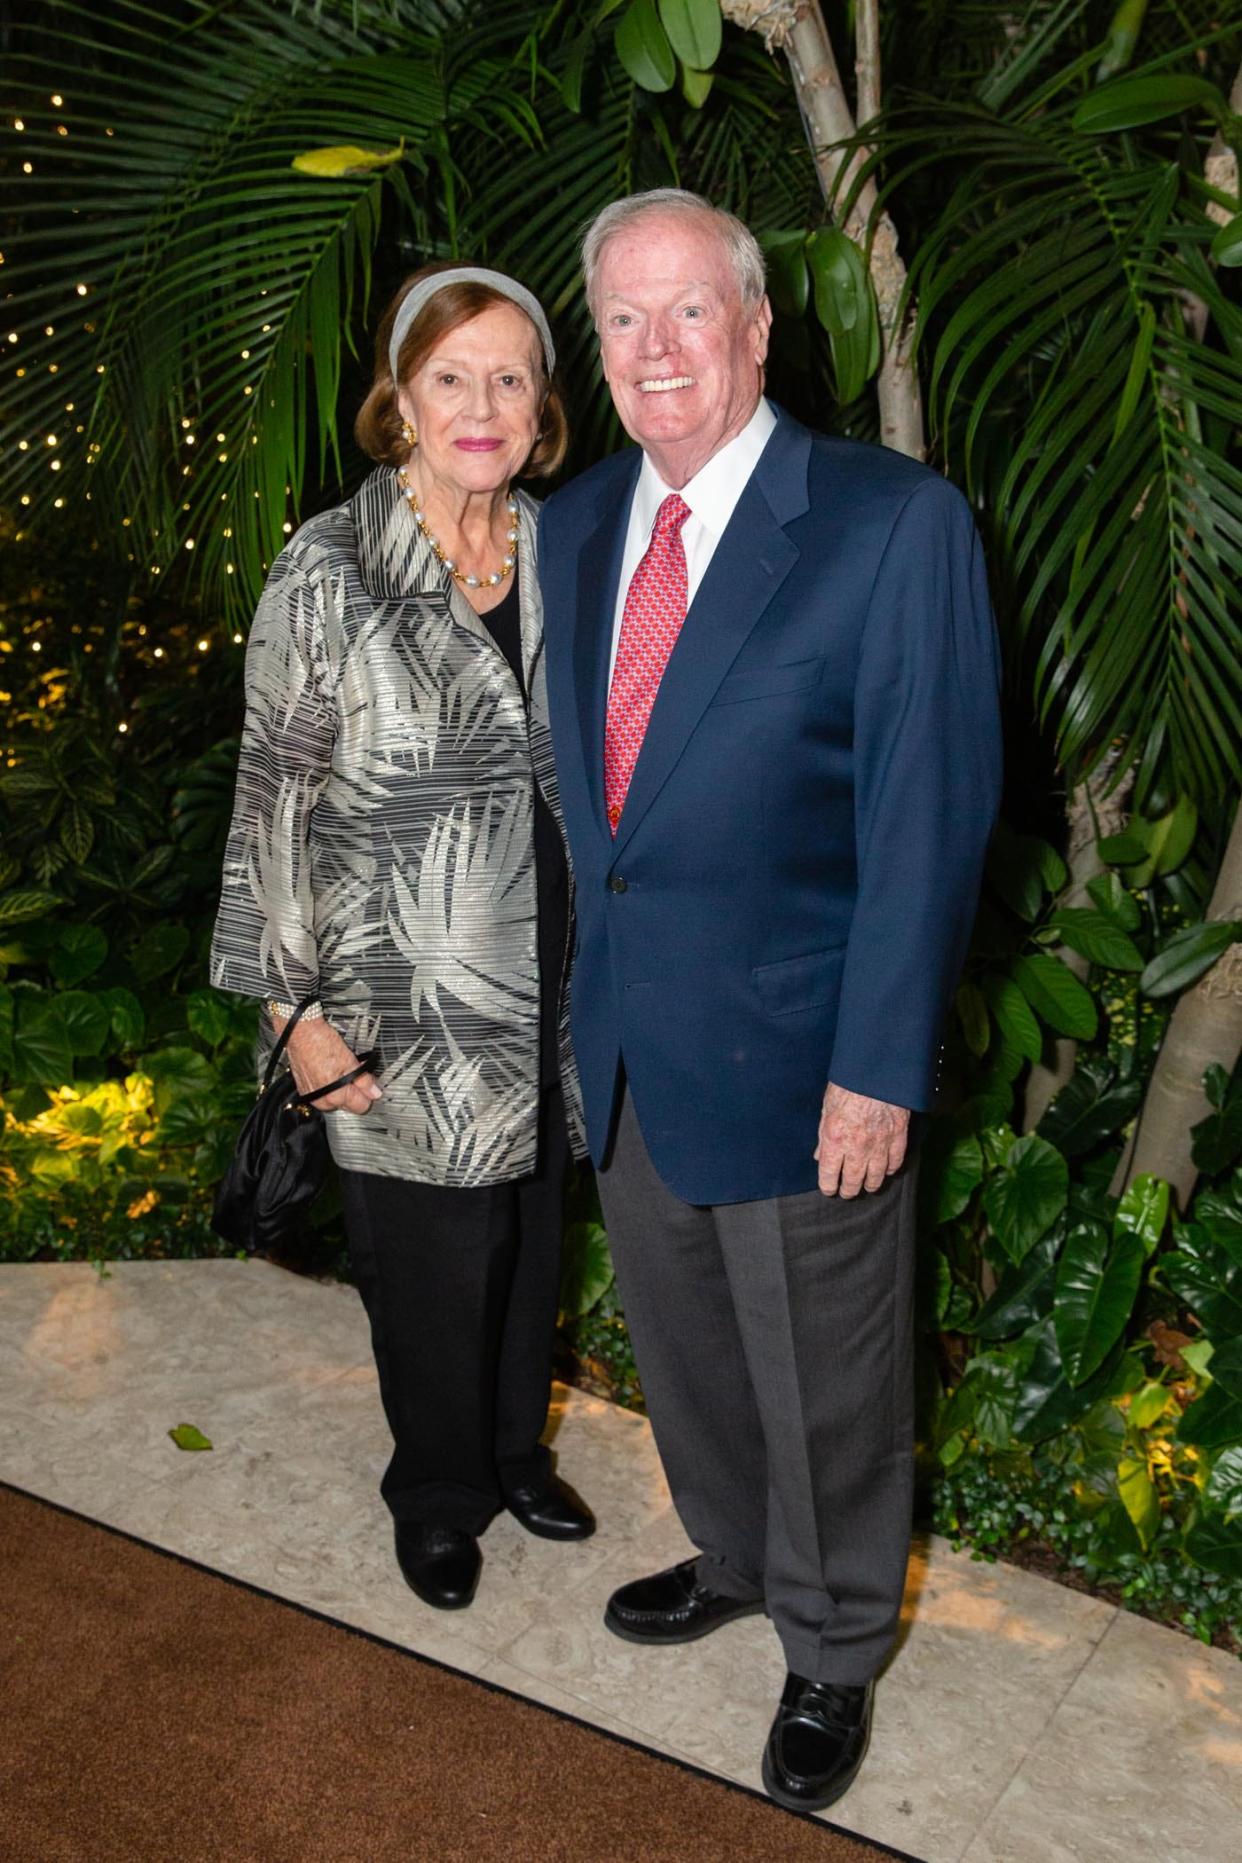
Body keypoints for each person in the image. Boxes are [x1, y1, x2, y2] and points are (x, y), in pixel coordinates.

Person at [538, 190, 1002, 1811]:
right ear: (595, 347)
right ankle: (735, 1552)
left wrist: (878, 1062)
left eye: (687, 315)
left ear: (754, 326)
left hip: (810, 1055)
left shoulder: (887, 521)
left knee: (828, 1369)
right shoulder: (578, 520)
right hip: (635, 1044)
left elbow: (926, 817)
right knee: (687, 1346)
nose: (656, 350)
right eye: (621, 321)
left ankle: (831, 1639)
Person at [211, 263, 594, 1614]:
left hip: (549, 977)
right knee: (431, 1263)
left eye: (508, 376)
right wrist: (291, 1015)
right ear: (402, 397)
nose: (479, 404)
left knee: (528, 1237)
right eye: (451, 376)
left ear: (542, 403)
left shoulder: (564, 546)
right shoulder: (330, 565)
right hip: (396, 995)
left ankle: (509, 1450)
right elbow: (271, 798)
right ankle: (435, 1492)